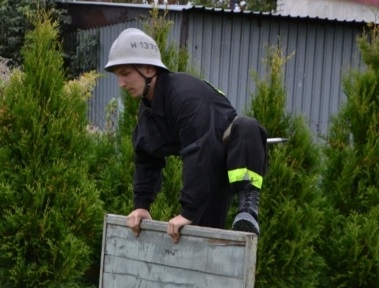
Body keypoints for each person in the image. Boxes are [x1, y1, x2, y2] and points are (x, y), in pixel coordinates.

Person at [105, 28, 268, 243]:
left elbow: (200, 150)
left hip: (228, 153)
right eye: (118, 76)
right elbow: (146, 156)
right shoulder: (149, 109)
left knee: (247, 126)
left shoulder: (184, 96)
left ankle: (247, 209)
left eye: (125, 74)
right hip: (208, 165)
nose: (121, 83)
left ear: (147, 68)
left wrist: (188, 211)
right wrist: (141, 206)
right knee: (200, 243)